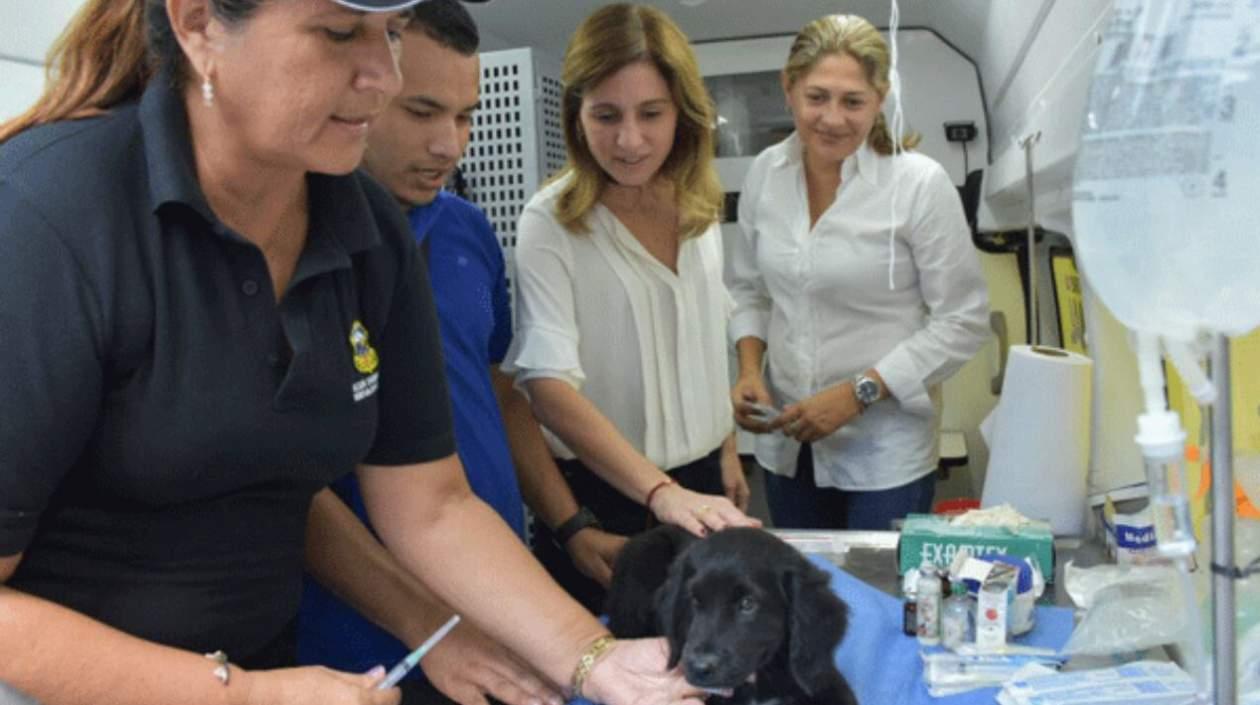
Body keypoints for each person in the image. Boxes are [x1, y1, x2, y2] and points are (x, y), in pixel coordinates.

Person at [0, 2, 714, 705]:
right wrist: (241, 694)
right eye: (339, 33)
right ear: (197, 24)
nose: (382, 74)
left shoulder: (364, 226)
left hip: (263, 655)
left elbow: (430, 503)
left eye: (393, 34)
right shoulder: (50, 215)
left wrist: (591, 657)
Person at [297, 3, 622, 703]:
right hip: (363, 638)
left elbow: (501, 393)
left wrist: (568, 527)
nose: (450, 144)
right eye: (421, 112)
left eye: (464, 116)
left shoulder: (468, 230)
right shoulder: (294, 243)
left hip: (496, 589)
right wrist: (432, 627)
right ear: (365, 89)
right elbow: (293, 488)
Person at [505, 2, 759, 613]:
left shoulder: (699, 207)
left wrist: (722, 447)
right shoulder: (552, 220)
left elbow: (704, 333)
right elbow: (546, 386)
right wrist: (655, 495)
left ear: (683, 114)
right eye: (606, 115)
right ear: (576, 115)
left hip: (698, 484)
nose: (629, 140)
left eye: (651, 114)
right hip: (607, 497)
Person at [727, 14, 990, 532]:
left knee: (881, 600)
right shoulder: (765, 174)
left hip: (883, 455)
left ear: (881, 98)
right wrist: (750, 370)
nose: (832, 118)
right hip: (787, 441)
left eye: (853, 101)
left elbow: (963, 321)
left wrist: (858, 392)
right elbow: (749, 290)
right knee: (807, 597)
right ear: (789, 88)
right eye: (817, 97)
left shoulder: (917, 184)